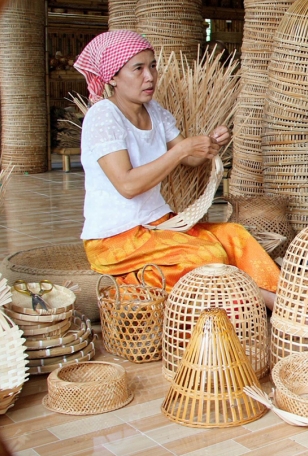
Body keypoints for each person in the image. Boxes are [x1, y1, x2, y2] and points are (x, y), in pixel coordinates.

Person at [75, 30, 279, 308]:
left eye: (153, 65)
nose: (150, 76)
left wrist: (209, 144)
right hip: (116, 240)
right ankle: (272, 307)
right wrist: (181, 150)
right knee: (207, 257)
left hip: (158, 225)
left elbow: (190, 159)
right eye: (138, 68)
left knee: (235, 235)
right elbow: (127, 185)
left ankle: (282, 301)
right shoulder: (103, 117)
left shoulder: (154, 112)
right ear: (112, 77)